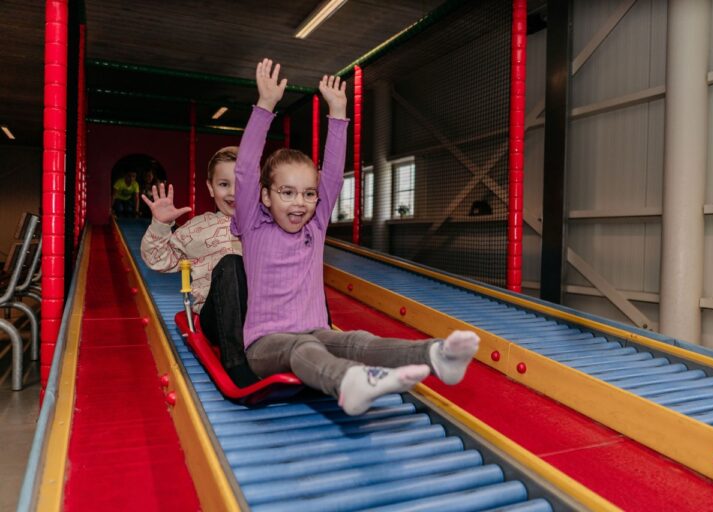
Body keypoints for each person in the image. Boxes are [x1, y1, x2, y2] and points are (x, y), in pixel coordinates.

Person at [234, 59, 480, 416]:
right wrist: (265, 106)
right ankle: (351, 382)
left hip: (316, 331)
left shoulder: (314, 227)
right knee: (303, 351)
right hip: (266, 345)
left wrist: (338, 112)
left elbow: (332, 174)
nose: (300, 203)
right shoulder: (255, 227)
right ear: (266, 196)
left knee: (356, 340)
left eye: (307, 194)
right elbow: (244, 171)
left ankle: (436, 355)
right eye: (287, 193)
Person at [140, 147, 258, 387]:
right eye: (224, 184)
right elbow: (158, 259)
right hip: (218, 319)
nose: (233, 192)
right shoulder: (196, 229)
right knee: (231, 264)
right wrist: (161, 226)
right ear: (210, 187)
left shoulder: (263, 226)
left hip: (261, 318)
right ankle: (235, 363)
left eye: (242, 184)